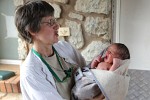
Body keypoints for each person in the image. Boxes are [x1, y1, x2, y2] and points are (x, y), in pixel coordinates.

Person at [14, 1, 86, 100]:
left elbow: (85, 71)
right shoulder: (31, 72)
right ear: (32, 30)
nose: (57, 26)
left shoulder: (65, 47)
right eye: (50, 22)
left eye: (55, 20)